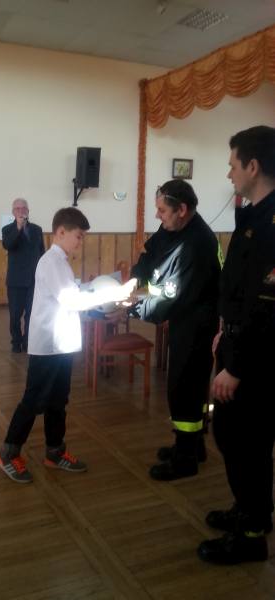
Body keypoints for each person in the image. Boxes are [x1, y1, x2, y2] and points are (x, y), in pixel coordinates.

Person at [0, 207, 134, 483]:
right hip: (48, 346)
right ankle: (8, 453)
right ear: (61, 232)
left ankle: (55, 451)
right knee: (33, 401)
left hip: (62, 345)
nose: (80, 243)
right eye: (78, 236)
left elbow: (72, 298)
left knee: (58, 400)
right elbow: (72, 301)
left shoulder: (61, 262)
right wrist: (113, 293)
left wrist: (102, 312)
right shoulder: (50, 262)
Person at [197, 126, 275, 565]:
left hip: (255, 361)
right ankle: (251, 511)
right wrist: (224, 331)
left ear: (253, 166)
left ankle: (250, 535)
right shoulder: (255, 217)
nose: (229, 174)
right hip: (238, 345)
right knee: (237, 438)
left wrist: (237, 366)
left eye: (232, 165)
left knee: (245, 442)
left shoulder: (271, 226)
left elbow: (267, 309)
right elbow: (241, 294)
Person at [127, 180, 221, 481]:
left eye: (162, 210)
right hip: (183, 320)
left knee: (185, 387)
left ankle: (185, 460)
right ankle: (193, 446)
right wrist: (135, 279)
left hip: (197, 326)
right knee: (188, 387)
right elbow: (150, 253)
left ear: (182, 209)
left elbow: (170, 296)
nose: (158, 215)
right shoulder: (173, 228)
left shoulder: (197, 243)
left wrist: (131, 308)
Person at [2, 198, 45, 353]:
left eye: (24, 208)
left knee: (31, 315)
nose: (21, 211)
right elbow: (8, 244)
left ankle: (28, 342)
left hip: (33, 280)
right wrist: (19, 228)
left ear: (28, 210)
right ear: (13, 212)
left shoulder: (37, 229)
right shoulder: (7, 229)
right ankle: (16, 342)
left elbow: (41, 252)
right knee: (15, 315)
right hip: (15, 281)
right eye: (18, 208)